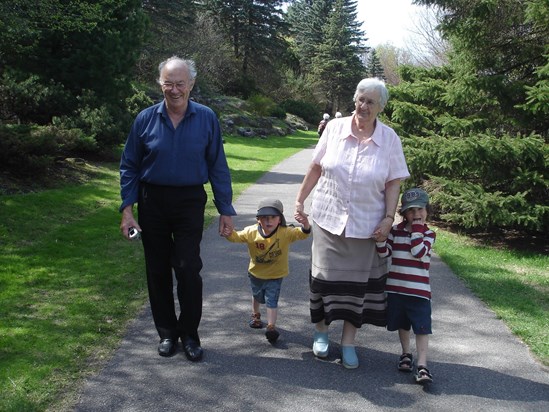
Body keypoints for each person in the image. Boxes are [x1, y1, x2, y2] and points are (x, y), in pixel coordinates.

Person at [119, 56, 236, 361]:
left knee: (187, 267)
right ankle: (167, 333)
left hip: (188, 201)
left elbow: (217, 165)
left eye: (180, 83)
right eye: (168, 83)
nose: (174, 89)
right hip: (151, 201)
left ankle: (190, 333)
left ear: (191, 85)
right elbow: (129, 165)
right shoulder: (145, 119)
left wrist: (225, 209)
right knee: (156, 269)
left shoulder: (207, 117)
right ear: (160, 84)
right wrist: (127, 210)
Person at [294, 78, 410, 369]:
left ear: (380, 107)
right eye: (360, 99)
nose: (363, 106)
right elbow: (316, 167)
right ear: (354, 99)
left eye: (371, 102)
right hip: (328, 219)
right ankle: (321, 332)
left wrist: (388, 218)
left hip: (365, 226)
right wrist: (299, 201)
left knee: (355, 289)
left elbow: (394, 182)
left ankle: (348, 342)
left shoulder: (389, 139)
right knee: (321, 282)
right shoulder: (334, 128)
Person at [222, 198, 311, 343]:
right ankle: (255, 315)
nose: (268, 221)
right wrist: (228, 233)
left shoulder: (285, 232)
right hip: (256, 273)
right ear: (258, 219)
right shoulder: (251, 232)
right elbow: (236, 237)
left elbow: (302, 234)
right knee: (257, 296)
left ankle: (271, 327)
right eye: (264, 218)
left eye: (273, 217)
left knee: (271, 300)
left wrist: (305, 224)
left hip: (275, 275)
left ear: (280, 219)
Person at [375, 188, 436, 384]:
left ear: (427, 210)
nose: (416, 214)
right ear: (404, 213)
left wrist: (417, 230)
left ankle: (423, 365)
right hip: (396, 289)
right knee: (403, 324)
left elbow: (418, 251)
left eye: (420, 209)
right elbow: (385, 253)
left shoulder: (428, 234)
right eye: (411, 211)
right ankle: (406, 354)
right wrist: (381, 241)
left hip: (419, 292)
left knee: (422, 328)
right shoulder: (396, 231)